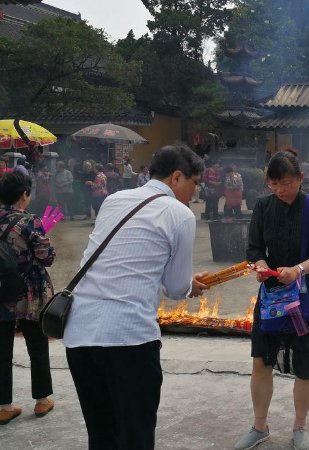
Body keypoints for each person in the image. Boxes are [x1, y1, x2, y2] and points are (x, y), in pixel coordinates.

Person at [63, 145, 210, 449]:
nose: (195, 191)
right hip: (129, 337)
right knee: (136, 434)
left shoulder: (114, 200)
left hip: (80, 335)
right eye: (195, 183)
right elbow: (176, 285)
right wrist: (189, 286)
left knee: (102, 434)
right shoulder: (180, 214)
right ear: (177, 177)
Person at [238, 151, 309, 450]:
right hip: (272, 296)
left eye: (286, 183)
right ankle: (259, 426)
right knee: (261, 361)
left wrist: (298, 269)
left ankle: (299, 427)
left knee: (305, 363)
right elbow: (254, 248)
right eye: (274, 184)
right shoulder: (263, 207)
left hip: (305, 295)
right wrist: (261, 266)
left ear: (301, 179)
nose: (279, 190)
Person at [0, 171, 56, 425]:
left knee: (1, 351)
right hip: (29, 295)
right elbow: (47, 257)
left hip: (1, 294)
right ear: (24, 194)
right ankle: (42, 400)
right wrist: (45, 232)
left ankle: (4, 406)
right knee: (37, 347)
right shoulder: (30, 221)